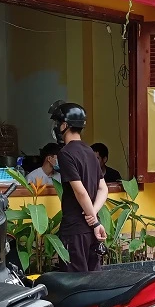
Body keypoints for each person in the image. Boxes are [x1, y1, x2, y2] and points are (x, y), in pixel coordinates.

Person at [49, 101, 107, 272]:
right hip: (91, 229)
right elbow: (103, 189)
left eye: (58, 123)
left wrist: (94, 221)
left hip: (74, 230)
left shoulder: (65, 153)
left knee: (74, 281)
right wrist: (94, 216)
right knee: (93, 279)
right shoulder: (90, 152)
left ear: (65, 125)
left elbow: (80, 191)